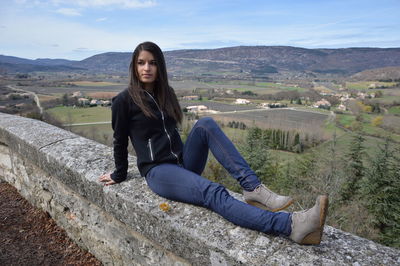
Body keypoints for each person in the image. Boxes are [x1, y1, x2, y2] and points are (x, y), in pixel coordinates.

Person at [99, 41, 328, 245]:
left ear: (160, 67)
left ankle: (253, 188)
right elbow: (119, 140)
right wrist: (119, 174)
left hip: (183, 163)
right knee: (213, 192)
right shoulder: (124, 101)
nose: (146, 68)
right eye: (141, 63)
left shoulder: (166, 93)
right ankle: (290, 225)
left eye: (152, 63)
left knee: (206, 123)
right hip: (159, 171)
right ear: (134, 66)